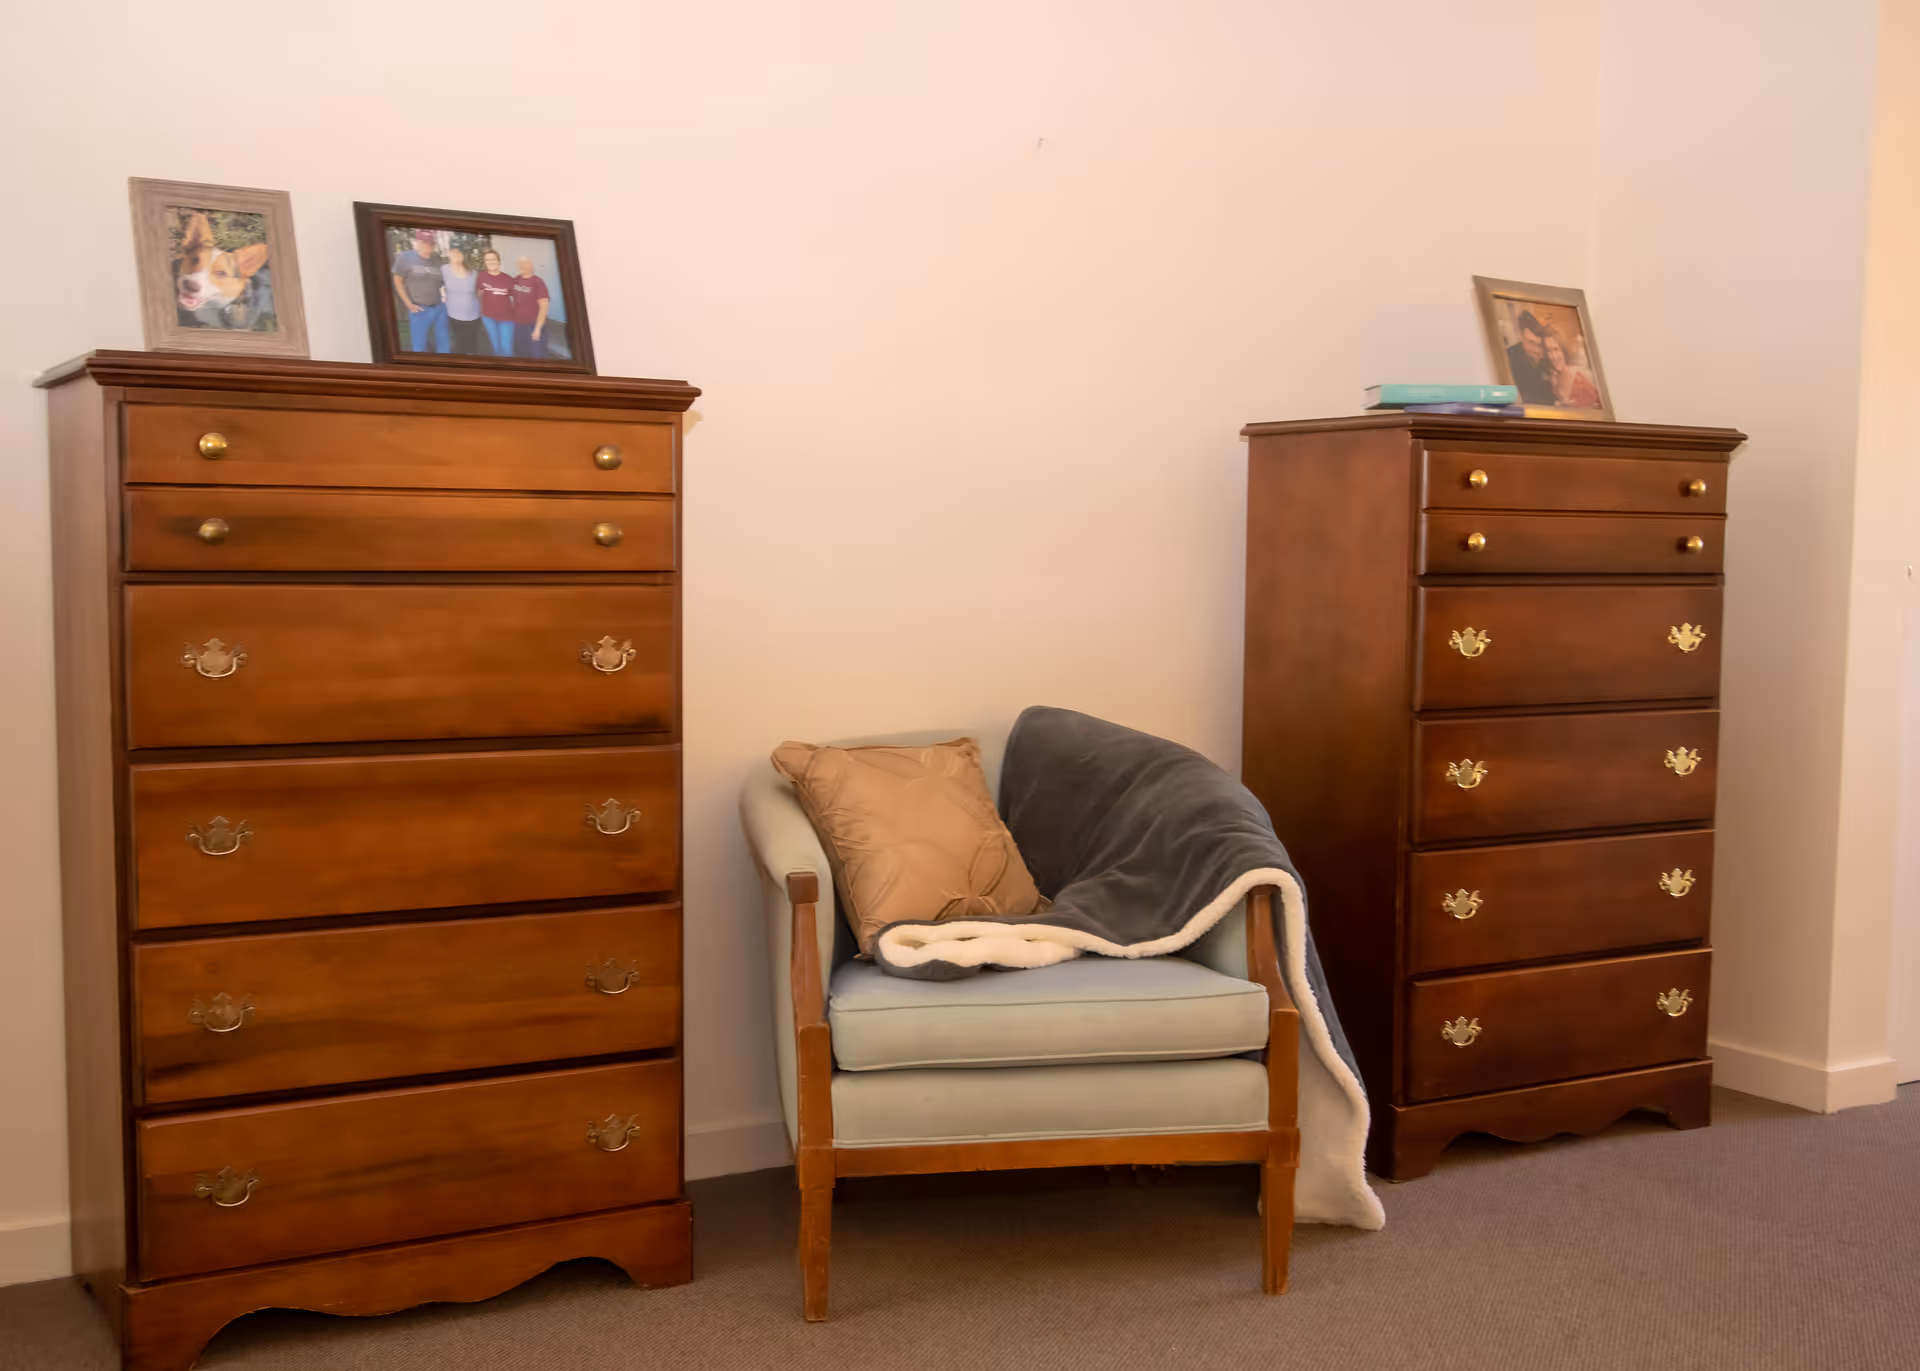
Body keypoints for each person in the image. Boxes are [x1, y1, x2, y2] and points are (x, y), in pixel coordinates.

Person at [390, 229, 449, 353]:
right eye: (424, 242)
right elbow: (398, 281)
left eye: (431, 242)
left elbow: (443, 283)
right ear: (418, 242)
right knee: (419, 346)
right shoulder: (405, 258)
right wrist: (408, 304)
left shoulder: (437, 261)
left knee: (443, 343)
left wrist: (445, 299)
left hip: (439, 308)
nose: (428, 245)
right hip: (419, 308)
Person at [1504, 309, 1556, 404]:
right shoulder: (1508, 359)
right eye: (1531, 342)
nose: (1536, 349)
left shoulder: (1549, 355)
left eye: (1539, 344)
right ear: (1521, 336)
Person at [1542, 328, 1603, 409]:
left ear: (1563, 349)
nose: (1553, 356)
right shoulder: (1553, 379)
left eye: (1556, 349)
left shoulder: (1579, 374)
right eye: (1549, 351)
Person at [441, 245, 483, 355]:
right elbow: (437, 285)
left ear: (462, 256)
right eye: (453, 253)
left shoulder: (473, 273)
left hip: (473, 314)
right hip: (453, 314)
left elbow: (479, 292)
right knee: (459, 345)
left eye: (458, 252)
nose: (456, 255)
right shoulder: (444, 270)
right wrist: (442, 295)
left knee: (473, 345)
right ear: (449, 255)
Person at [509, 255, 552, 359]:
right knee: (520, 353)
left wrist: (537, 329)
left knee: (537, 355)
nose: (522, 266)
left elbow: (544, 306)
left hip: (534, 325)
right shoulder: (516, 280)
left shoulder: (538, 282)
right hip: (519, 325)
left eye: (526, 263)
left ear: (531, 265)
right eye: (520, 264)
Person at [475, 249, 515, 357]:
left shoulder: (508, 279)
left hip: (506, 319)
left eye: (493, 259)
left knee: (506, 348)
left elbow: (517, 298)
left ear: (499, 261)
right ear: (485, 262)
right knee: (495, 347)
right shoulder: (481, 277)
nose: (491, 262)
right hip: (488, 317)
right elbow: (478, 294)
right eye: (487, 260)